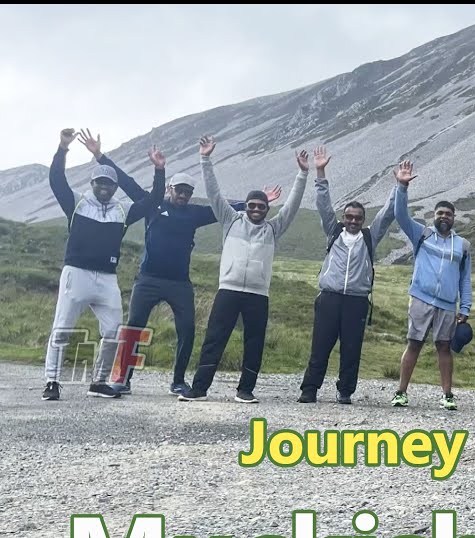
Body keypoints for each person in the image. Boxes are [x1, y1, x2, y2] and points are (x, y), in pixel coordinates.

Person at [120, 174, 279, 396]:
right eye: (179, 190)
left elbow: (220, 205)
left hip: (180, 283)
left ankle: (178, 381)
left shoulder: (194, 213)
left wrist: (256, 201)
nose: (183, 195)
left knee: (187, 330)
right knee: (134, 326)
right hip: (148, 279)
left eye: (188, 192)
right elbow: (128, 184)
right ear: (169, 188)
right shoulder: (153, 204)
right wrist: (101, 157)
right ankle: (122, 378)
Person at [179, 136, 310, 403]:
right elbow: (214, 193)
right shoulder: (229, 220)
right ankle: (199, 388)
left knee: (254, 343)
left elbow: (292, 207)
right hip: (228, 290)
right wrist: (205, 158)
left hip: (258, 295)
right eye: (252, 206)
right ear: (245, 207)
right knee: (214, 339)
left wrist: (302, 174)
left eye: (262, 207)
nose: (257, 210)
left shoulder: (273, 229)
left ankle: (245, 390)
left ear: (267, 209)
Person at [43, 128, 165, 401]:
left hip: (107, 279)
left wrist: (159, 170)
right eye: (99, 182)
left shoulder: (122, 211)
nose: (104, 187)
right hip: (76, 274)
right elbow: (56, 180)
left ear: (114, 188)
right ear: (92, 183)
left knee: (112, 331)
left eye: (109, 184)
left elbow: (154, 200)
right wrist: (63, 148)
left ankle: (98, 381)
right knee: (62, 328)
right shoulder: (76, 203)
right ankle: (52, 381)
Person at [298, 146, 396, 405]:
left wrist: (400, 187)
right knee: (320, 347)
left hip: (356, 301)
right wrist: (320, 171)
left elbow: (386, 215)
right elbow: (322, 205)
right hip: (329, 297)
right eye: (349, 217)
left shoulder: (369, 237)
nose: (353, 221)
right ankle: (309, 390)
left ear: (363, 220)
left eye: (358, 218)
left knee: (352, 350)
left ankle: (345, 392)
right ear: (343, 218)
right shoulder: (333, 230)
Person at [389, 160, 473, 411]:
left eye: (448, 214)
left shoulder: (463, 246)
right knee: (413, 343)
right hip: (421, 299)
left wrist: (465, 306)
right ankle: (401, 392)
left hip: (448, 305)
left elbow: (465, 279)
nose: (444, 217)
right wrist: (402, 187)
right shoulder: (422, 234)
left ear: (454, 218)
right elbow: (400, 215)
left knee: (444, 347)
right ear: (433, 216)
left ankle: (447, 395)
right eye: (440, 214)